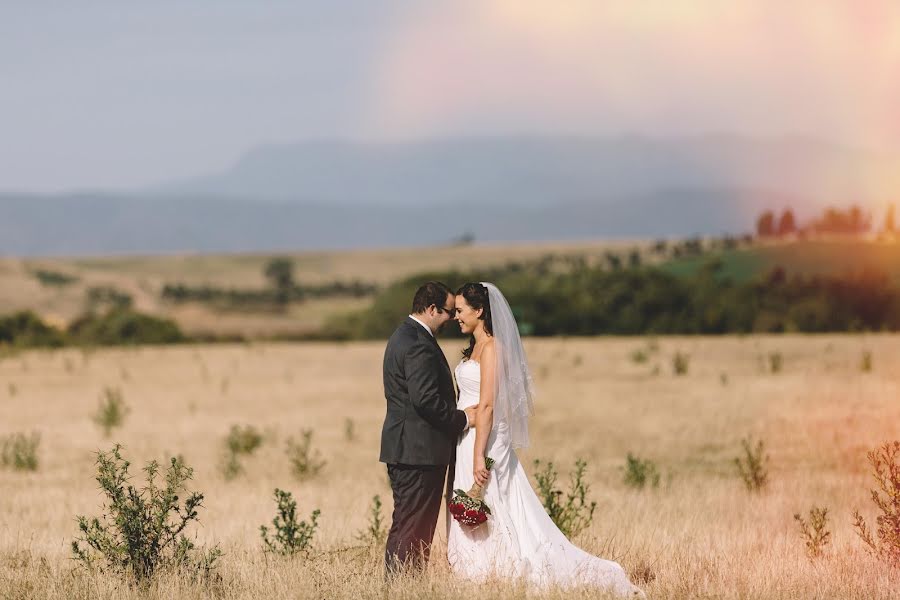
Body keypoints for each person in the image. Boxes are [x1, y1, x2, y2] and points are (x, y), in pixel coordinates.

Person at [447, 282, 645, 598]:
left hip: (481, 438)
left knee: (493, 496)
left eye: (459, 310)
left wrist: (477, 455)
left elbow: (487, 405)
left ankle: (494, 564)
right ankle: (474, 563)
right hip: (467, 435)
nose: (455, 316)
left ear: (479, 310)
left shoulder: (493, 348)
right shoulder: (475, 347)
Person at [380, 281, 479, 577]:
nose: (452, 319)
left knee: (408, 522)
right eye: (449, 312)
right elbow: (425, 400)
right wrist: (462, 419)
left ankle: (402, 586)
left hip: (408, 448)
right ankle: (404, 587)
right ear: (433, 308)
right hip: (418, 452)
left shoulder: (404, 335)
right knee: (414, 526)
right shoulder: (418, 343)